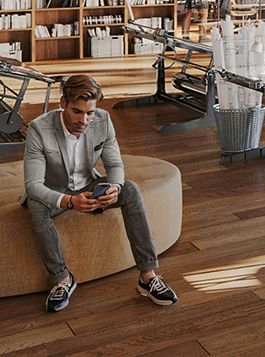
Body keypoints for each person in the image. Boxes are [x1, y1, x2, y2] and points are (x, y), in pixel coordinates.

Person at [22, 74, 178, 312]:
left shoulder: (103, 120)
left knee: (131, 189)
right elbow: (33, 185)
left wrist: (115, 188)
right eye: (77, 111)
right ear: (63, 103)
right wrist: (69, 201)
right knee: (36, 205)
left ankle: (148, 277)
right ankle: (62, 279)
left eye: (89, 113)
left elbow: (114, 166)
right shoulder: (38, 129)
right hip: (57, 191)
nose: (84, 120)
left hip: (89, 185)